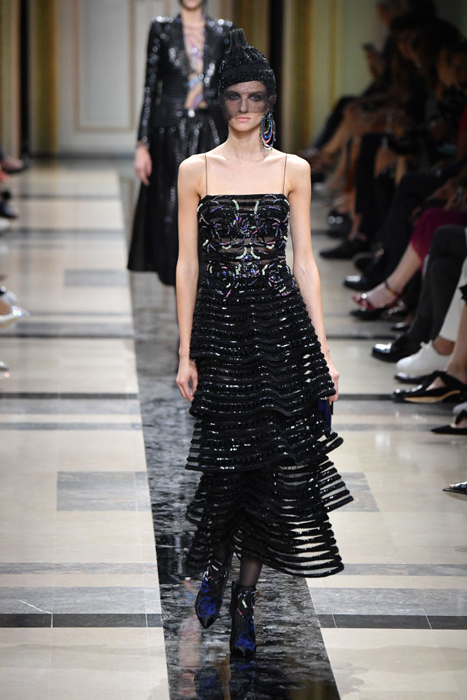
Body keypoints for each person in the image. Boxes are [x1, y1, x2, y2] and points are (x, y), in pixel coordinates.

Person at [175, 29, 353, 658]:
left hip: (280, 333)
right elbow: (188, 265)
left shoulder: (292, 170)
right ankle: (216, 569)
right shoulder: (196, 170)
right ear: (221, 101)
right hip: (221, 334)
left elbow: (304, 262)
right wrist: (185, 352)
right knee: (226, 467)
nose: (245, 107)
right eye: (235, 96)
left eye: (255, 96)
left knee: (272, 474)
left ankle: (245, 600)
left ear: (269, 101)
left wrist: (323, 349)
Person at [127, 0, 233, 287]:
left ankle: (209, 292)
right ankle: (181, 295)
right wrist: (142, 144)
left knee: (212, 211)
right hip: (169, 134)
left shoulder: (223, 32)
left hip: (212, 131)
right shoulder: (162, 30)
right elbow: (150, 87)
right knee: (171, 212)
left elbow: (230, 88)